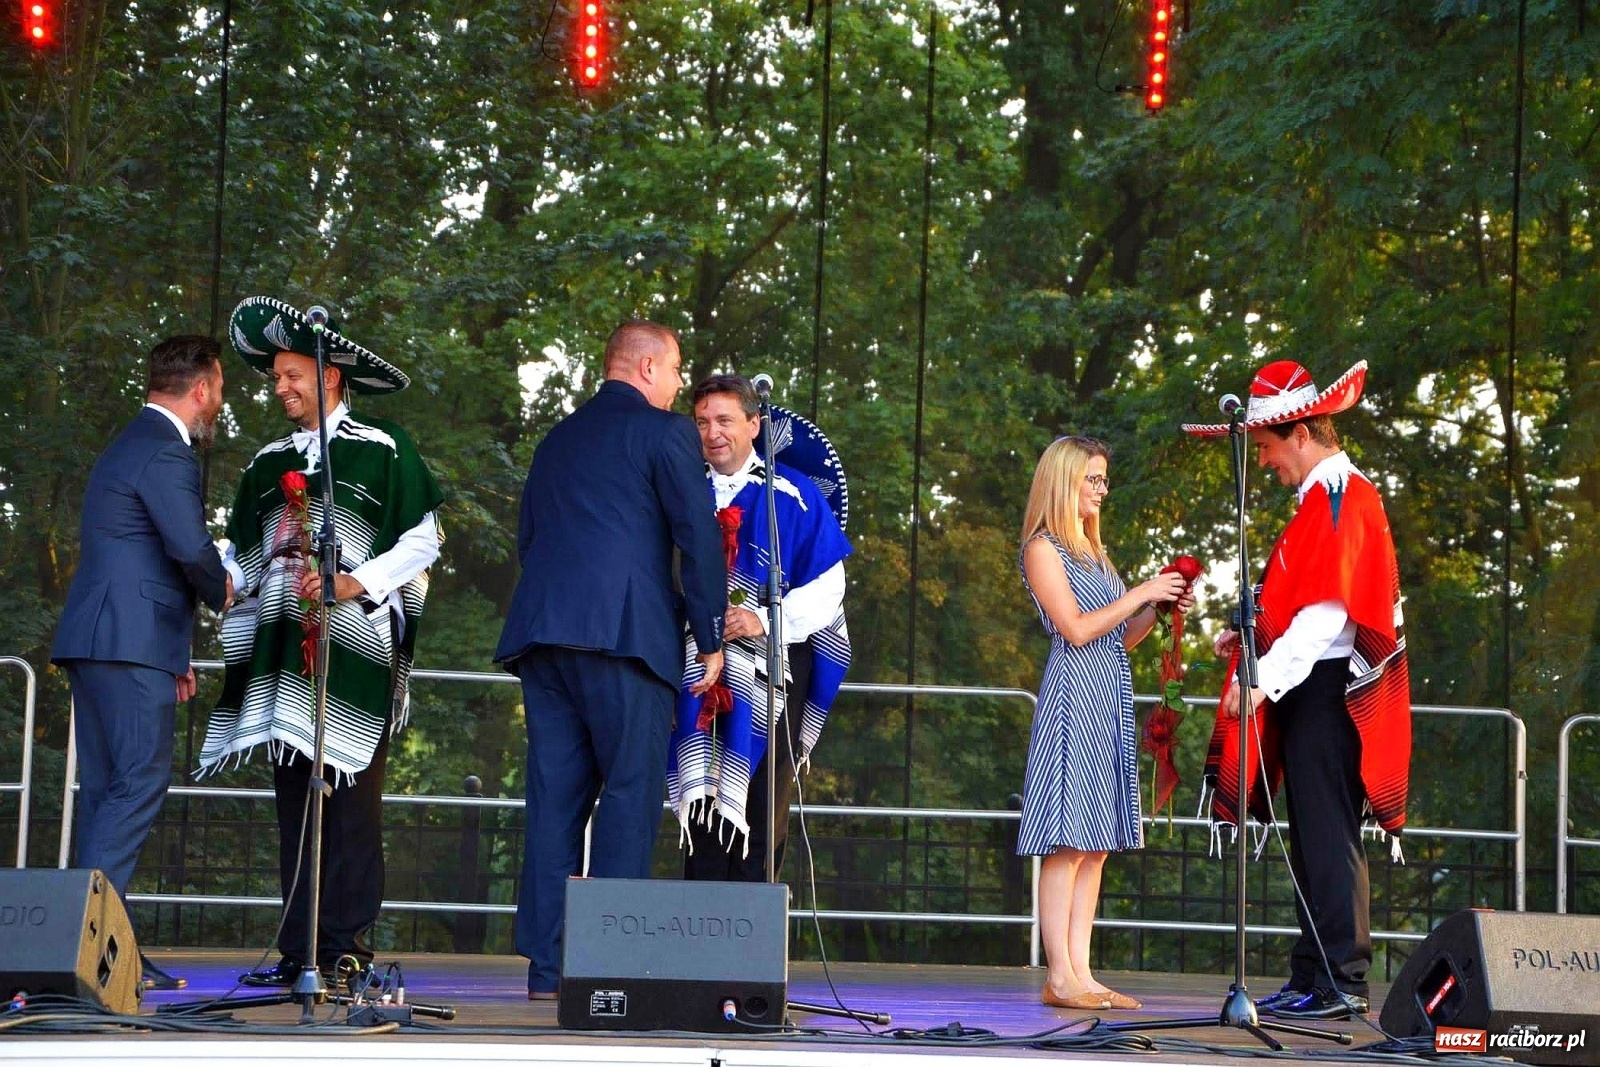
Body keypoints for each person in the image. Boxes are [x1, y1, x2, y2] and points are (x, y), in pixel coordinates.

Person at [198, 297, 444, 988]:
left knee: (353, 804)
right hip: (286, 653)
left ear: (329, 375)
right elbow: (242, 556)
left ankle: (346, 947)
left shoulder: (382, 447)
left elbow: (424, 538)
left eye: (291, 375)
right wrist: (214, 574)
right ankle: (299, 951)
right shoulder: (266, 462)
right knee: (295, 803)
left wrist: (355, 580)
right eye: (275, 377)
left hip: (356, 647)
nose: (280, 388)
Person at [494, 320, 727, 1000]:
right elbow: (698, 537)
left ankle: (546, 969)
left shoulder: (557, 438)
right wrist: (710, 634)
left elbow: (529, 538)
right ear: (648, 367)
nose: (679, 385)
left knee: (554, 800)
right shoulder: (666, 433)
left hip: (545, 637)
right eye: (676, 370)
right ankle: (611, 965)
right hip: (626, 637)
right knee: (629, 793)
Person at [1186, 359, 1410, 1021]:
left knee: (1328, 834)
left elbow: (1328, 613)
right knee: (1313, 836)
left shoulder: (1342, 498)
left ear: (1302, 433)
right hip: (1314, 682)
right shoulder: (1324, 499)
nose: (1263, 461)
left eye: (1267, 447)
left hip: (1329, 687)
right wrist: (1251, 635)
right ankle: (1314, 975)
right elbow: (1302, 600)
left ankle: (1342, 979)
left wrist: (1262, 678)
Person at [50, 334, 232, 991]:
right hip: (127, 644)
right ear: (201, 389)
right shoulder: (165, 450)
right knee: (135, 788)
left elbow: (140, 558)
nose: (220, 403)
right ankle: (80, 952)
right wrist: (225, 588)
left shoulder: (128, 443)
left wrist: (174, 652)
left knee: (107, 796)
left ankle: (103, 951)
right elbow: (188, 548)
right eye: (220, 389)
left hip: (108, 641)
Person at [1016, 435, 1190, 1012]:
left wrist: (1155, 609)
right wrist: (1140, 592)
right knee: (1068, 842)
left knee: (1096, 846)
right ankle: (1059, 975)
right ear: (1063, 481)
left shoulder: (1094, 551)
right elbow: (1075, 628)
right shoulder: (1043, 548)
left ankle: (1082, 974)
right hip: (1074, 696)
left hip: (1109, 695)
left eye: (1103, 480)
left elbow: (1118, 636)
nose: (1101, 490)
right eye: (1092, 479)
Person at [667, 375, 852, 881]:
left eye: (725, 420)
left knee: (765, 802)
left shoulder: (791, 494)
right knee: (702, 795)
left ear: (754, 424)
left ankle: (755, 920)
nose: (713, 433)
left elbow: (829, 586)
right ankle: (701, 920)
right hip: (694, 664)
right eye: (702, 422)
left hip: (776, 666)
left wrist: (764, 618)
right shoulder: (679, 489)